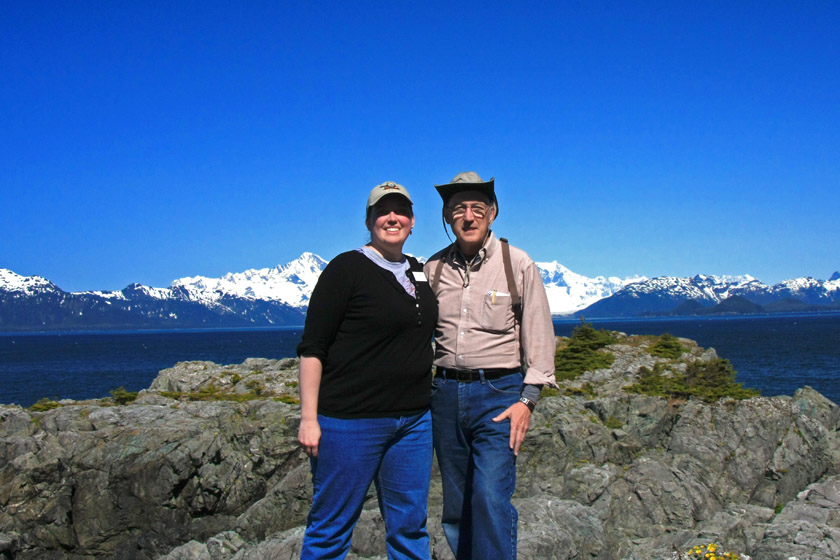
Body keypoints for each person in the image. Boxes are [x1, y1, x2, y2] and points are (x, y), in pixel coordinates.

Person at [296, 181, 438, 560]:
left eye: (401, 211)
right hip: (350, 422)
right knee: (330, 530)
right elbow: (313, 348)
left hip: (414, 422)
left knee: (410, 527)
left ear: (412, 221)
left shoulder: (419, 272)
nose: (392, 218)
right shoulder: (346, 269)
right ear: (369, 220)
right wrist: (308, 418)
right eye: (383, 211)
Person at [424, 171, 557, 559]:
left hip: (500, 396)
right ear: (448, 216)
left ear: (493, 214)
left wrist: (528, 400)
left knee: (489, 497)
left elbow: (539, 335)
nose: (469, 216)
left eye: (477, 208)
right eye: (459, 209)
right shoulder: (432, 270)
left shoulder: (517, 263)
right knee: (456, 505)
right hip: (445, 395)